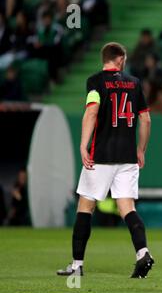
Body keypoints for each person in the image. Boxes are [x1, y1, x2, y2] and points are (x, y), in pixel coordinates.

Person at [56, 42, 154, 278]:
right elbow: (146, 120)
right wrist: (141, 149)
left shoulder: (95, 81)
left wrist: (83, 145)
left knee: (85, 207)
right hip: (128, 157)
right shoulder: (135, 83)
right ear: (120, 59)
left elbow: (91, 111)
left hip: (101, 156)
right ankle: (142, 252)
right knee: (127, 208)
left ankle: (77, 265)